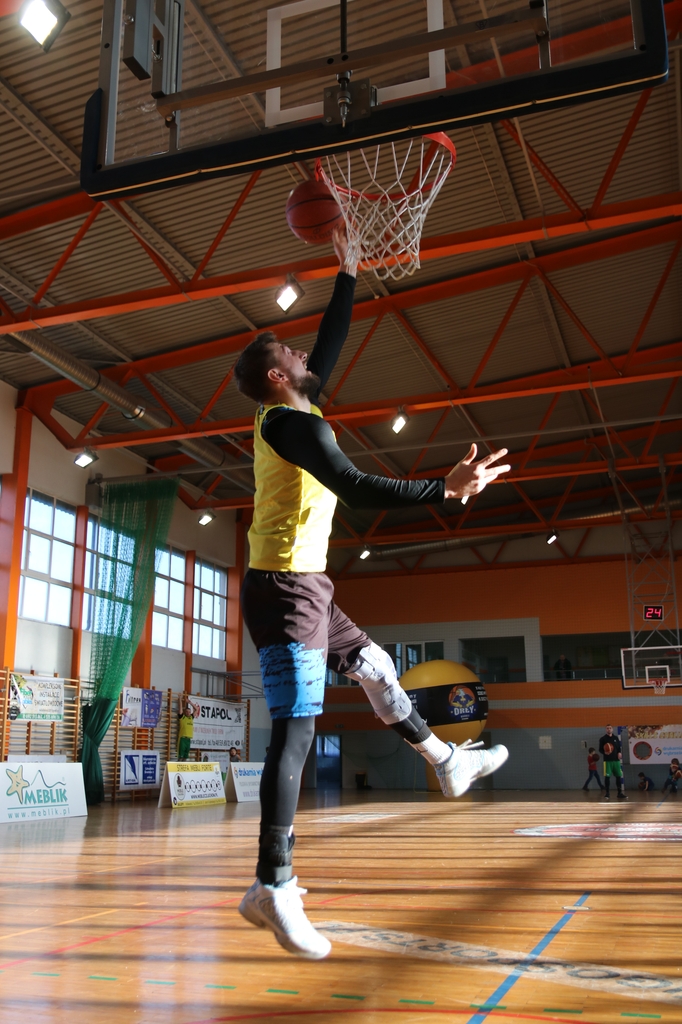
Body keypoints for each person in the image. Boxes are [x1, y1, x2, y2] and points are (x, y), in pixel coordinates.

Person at [233, 224, 511, 961]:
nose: (304, 356)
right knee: (296, 732)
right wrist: (443, 490)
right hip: (285, 590)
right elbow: (354, 487)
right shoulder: (290, 426)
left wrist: (348, 274)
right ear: (276, 378)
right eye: (290, 354)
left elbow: (328, 347)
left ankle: (447, 763)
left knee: (379, 668)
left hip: (308, 585)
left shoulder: (294, 407)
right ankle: (272, 885)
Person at [598, 724, 627, 800]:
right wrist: (605, 752)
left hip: (616, 761)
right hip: (607, 761)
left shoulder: (616, 738)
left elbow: (619, 748)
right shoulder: (603, 739)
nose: (609, 729)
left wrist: (619, 752)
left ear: (612, 729)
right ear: (606, 730)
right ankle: (607, 793)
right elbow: (600, 749)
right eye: (607, 728)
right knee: (607, 777)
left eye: (610, 728)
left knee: (618, 776)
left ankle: (619, 793)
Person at [177, 694, 199, 761]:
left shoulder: (191, 718)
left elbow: (197, 709)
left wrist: (189, 702)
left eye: (189, 712)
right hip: (182, 739)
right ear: (185, 712)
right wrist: (180, 699)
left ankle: (183, 766)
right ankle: (178, 766)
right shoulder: (182, 717)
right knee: (180, 757)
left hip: (188, 740)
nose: (188, 713)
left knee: (185, 757)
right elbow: (180, 709)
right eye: (186, 712)